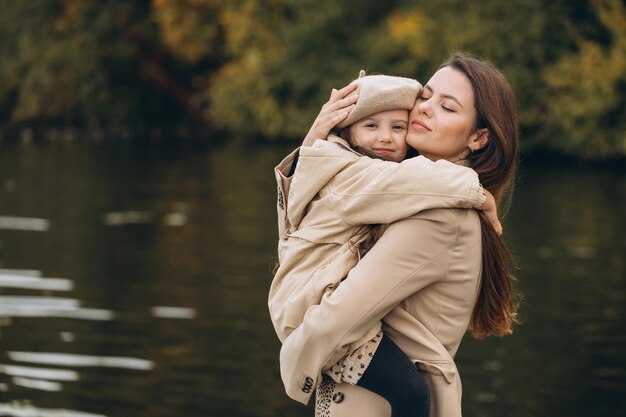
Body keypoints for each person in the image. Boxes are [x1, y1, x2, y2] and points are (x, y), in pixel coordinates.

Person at [278, 52, 520, 417]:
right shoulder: (403, 192)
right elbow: (310, 240)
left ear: (478, 137)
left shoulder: (440, 215)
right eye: (426, 96)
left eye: (447, 107)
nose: (425, 109)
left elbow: (340, 315)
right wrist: (316, 148)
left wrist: (293, 360)